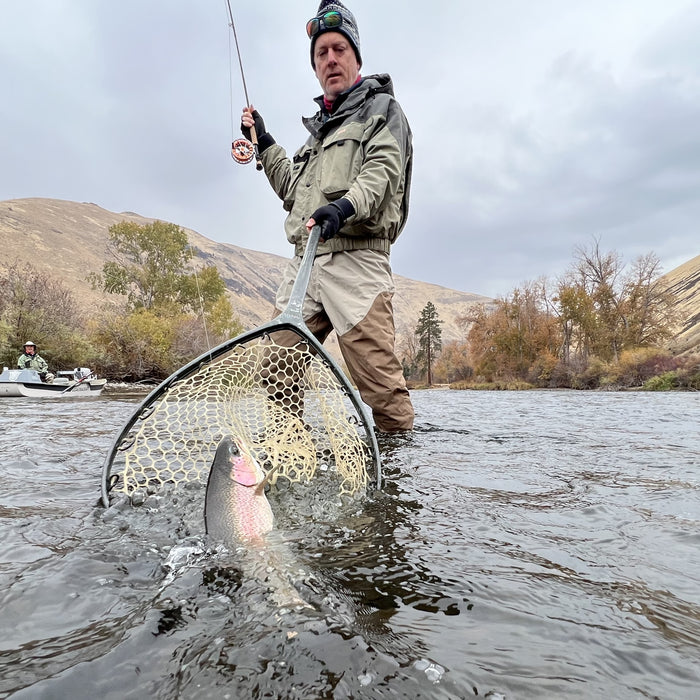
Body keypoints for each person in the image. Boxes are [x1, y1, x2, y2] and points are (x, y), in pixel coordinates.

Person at [240, 0, 414, 432]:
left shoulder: (384, 112)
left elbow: (382, 174)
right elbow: (291, 188)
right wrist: (264, 140)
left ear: (356, 57)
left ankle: (394, 484)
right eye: (322, 53)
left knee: (379, 387)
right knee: (277, 369)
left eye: (339, 49)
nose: (330, 59)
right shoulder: (315, 135)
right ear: (315, 65)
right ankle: (289, 460)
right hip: (304, 265)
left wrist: (343, 207)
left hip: (357, 263)